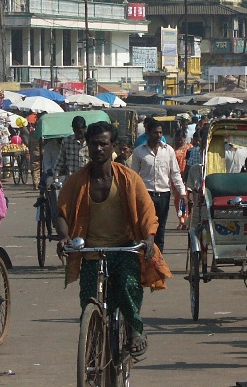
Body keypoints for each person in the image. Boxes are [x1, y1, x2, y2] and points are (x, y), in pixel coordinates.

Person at [56, 121, 171, 361]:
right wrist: (64, 236)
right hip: (90, 250)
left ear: (113, 146)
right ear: (87, 146)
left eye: (103, 144)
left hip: (124, 248)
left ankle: (133, 329)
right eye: (94, 144)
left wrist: (149, 238)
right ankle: (92, 347)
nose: (98, 149)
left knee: (129, 285)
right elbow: (61, 213)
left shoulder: (128, 178)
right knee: (88, 299)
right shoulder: (77, 181)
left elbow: (147, 212)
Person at [130, 116, 186, 253]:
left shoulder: (168, 151)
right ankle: (145, 258)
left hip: (163, 196)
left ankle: (158, 259)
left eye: (160, 132)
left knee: (160, 230)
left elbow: (175, 173)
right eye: (155, 133)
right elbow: (134, 176)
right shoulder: (139, 152)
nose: (159, 135)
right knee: (146, 228)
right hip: (146, 195)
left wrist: (182, 193)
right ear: (148, 133)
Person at [171, 130, 191, 229]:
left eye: (181, 140)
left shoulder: (189, 148)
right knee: (177, 200)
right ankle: (181, 220)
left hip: (187, 177)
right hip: (175, 177)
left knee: (185, 199)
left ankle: (185, 221)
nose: (179, 142)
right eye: (178, 140)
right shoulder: (171, 150)